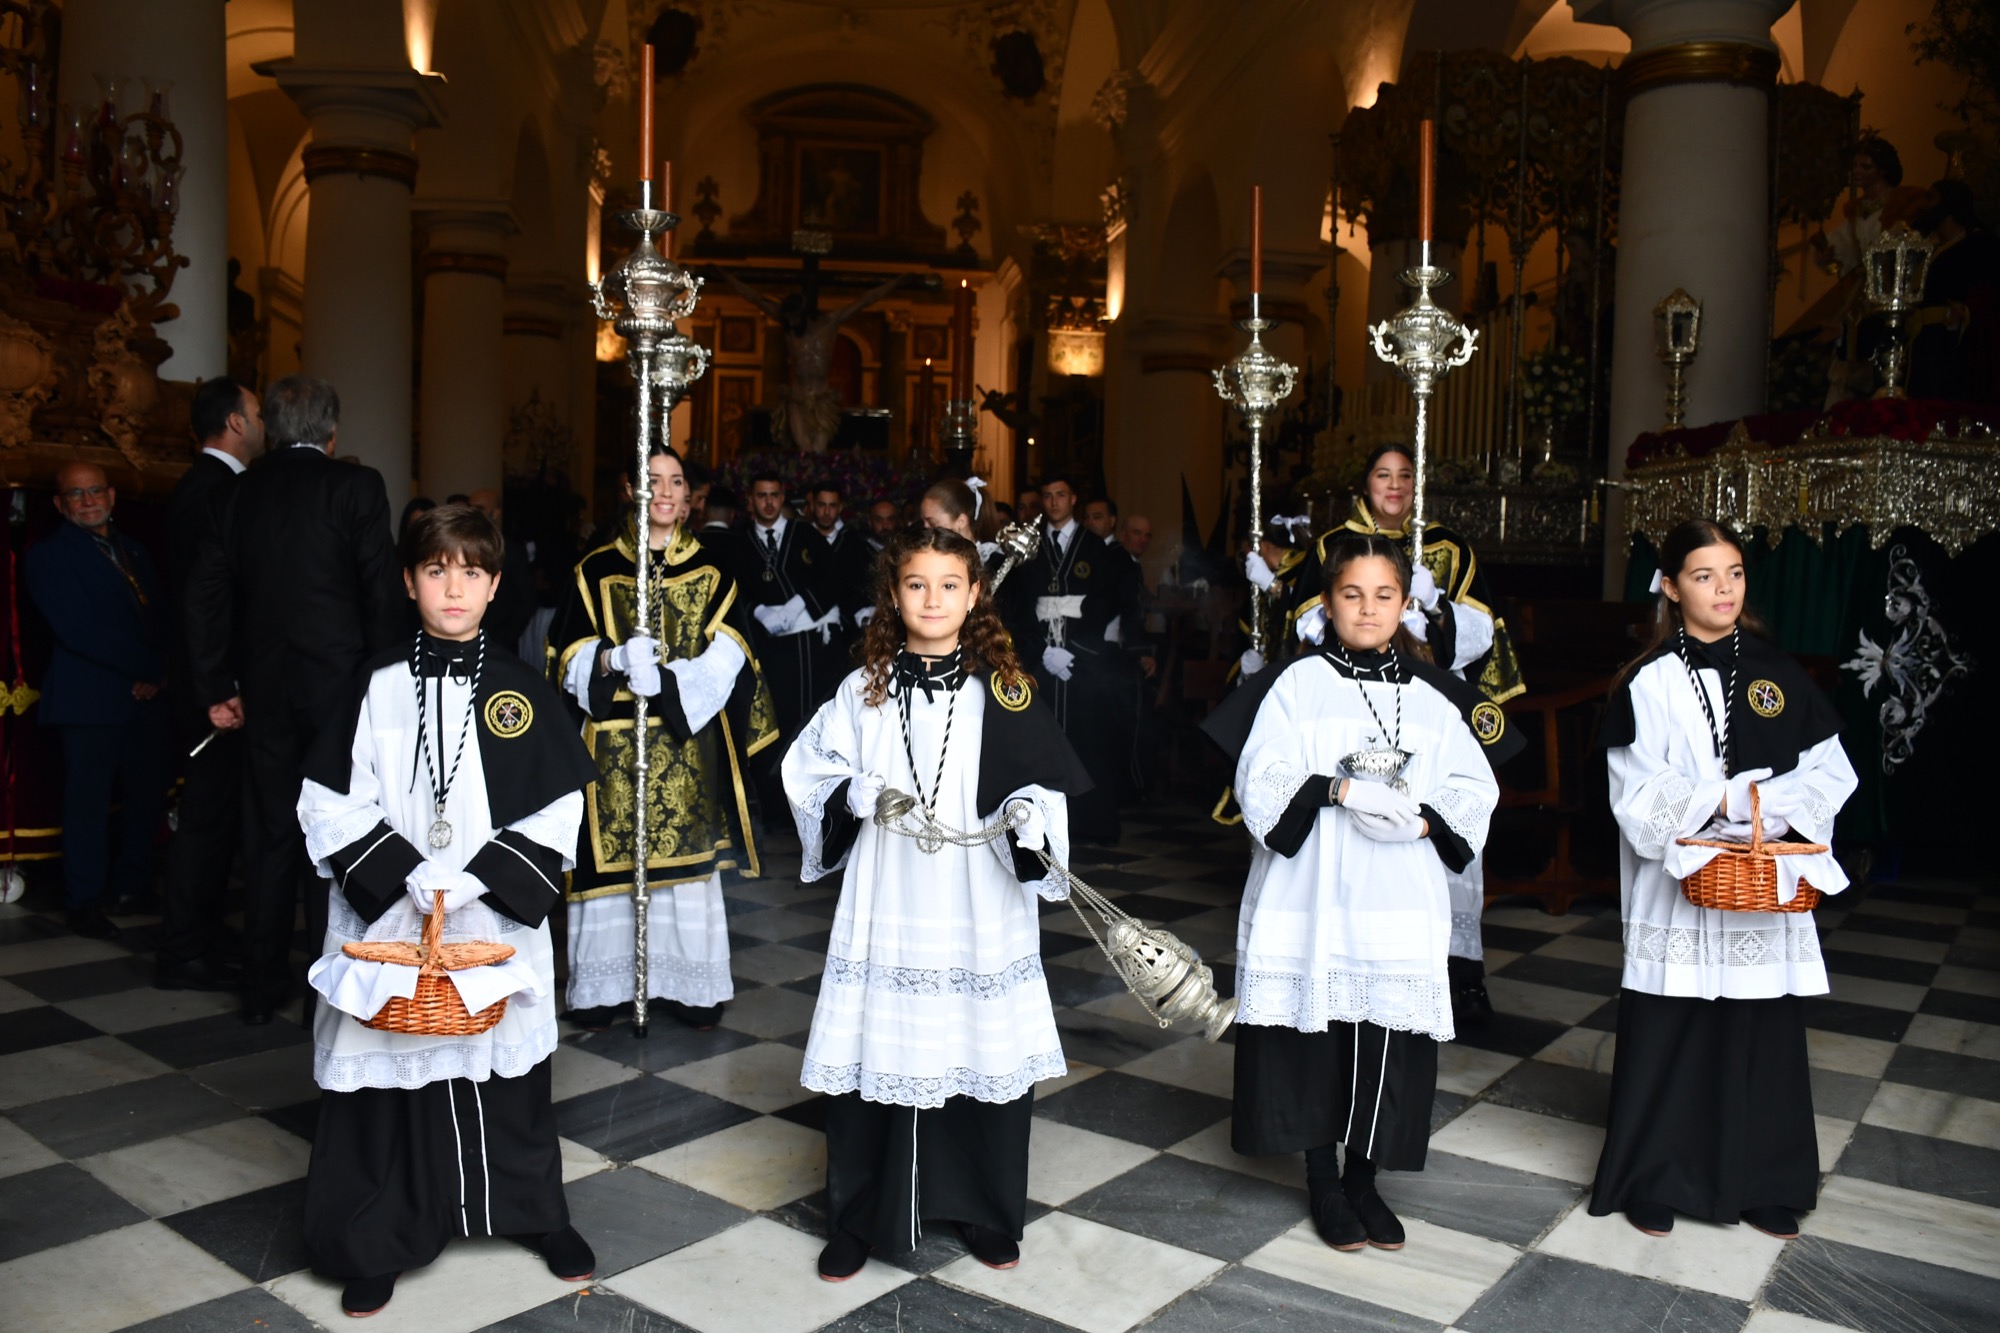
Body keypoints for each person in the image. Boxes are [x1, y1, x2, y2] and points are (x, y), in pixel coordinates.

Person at [296, 505, 601, 1317]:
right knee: (386, 1060)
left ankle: (531, 1209)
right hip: (395, 914)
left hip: (485, 910)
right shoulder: (375, 684)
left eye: (471, 571)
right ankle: (376, 1230)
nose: (454, 587)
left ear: (495, 585)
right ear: (409, 581)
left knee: (507, 1064)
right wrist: (405, 877)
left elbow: (558, 809)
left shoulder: (521, 689)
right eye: (436, 570)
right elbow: (328, 800)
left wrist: (472, 883)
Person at [782, 526, 1089, 1281]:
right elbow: (808, 770)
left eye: (950, 585)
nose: (932, 599)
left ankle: (983, 1207)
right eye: (916, 584)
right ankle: (857, 1215)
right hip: (889, 890)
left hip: (977, 892)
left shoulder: (1005, 689)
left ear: (975, 594)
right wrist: (851, 793)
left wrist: (1028, 816)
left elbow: (1042, 784)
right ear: (893, 594)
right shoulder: (864, 689)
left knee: (977, 1042)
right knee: (877, 1045)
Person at [1218, 533, 1500, 1252]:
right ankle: (1322, 1178)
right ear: (1327, 602)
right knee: (1314, 1030)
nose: (1368, 609)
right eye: (1352, 594)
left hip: (1397, 888)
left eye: (1384, 595)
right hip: (1312, 885)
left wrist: (1426, 819)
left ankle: (1364, 1180)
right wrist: (1336, 789)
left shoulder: (1432, 696)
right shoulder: (1297, 685)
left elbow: (1474, 785)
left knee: (1385, 1035)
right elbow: (1261, 774)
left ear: (1404, 604)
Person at [1591, 519, 1856, 1241]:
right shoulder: (1649, 682)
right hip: (1680, 882)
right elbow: (1636, 790)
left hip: (1759, 878)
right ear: (1672, 588)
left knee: (1759, 1025)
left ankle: (1765, 1180)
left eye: (1734, 573)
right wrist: (1721, 801)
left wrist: (1776, 808)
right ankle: (1653, 1175)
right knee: (1674, 1025)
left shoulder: (1778, 672)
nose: (1724, 589)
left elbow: (1831, 771)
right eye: (1704, 576)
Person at [186, 374, 405, 1024]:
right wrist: (391, 685)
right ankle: (328, 987)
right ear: (331, 432)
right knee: (338, 832)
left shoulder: (236, 493)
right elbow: (381, 594)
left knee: (269, 832)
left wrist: (216, 686)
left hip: (264, 691)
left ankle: (261, 986)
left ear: (272, 430)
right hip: (343, 692)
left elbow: (204, 598)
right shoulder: (355, 487)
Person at [548, 444, 778, 1031]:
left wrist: (672, 682)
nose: (667, 492)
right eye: (654, 480)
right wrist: (611, 660)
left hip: (685, 741)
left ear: (690, 495)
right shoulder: (595, 569)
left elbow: (733, 653)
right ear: (631, 489)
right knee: (609, 867)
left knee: (685, 867)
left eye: (677, 481)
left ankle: (687, 986)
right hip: (610, 743)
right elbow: (564, 652)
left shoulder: (713, 571)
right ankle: (603, 990)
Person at [1290, 445, 1525, 1021]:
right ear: (1364, 484)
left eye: (1405, 475)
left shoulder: (1447, 547)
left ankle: (1460, 975)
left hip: (1426, 701)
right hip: (1351, 697)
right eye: (1382, 475)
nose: (1394, 486)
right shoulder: (1333, 546)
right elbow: (1307, 622)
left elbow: (1481, 634)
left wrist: (1436, 608)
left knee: (1439, 829)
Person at [25, 461, 170, 940]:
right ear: (59, 504)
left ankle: (131, 886)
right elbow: (81, 631)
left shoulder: (134, 550)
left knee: (145, 795)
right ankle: (83, 901)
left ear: (111, 496)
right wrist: (150, 669)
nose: (87, 501)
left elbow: (160, 617)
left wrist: (159, 671)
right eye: (75, 494)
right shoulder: (49, 556)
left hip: (145, 698)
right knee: (87, 803)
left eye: (94, 491)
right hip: (89, 700)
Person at [158, 377, 263, 986]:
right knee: (204, 820)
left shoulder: (211, 486)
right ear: (236, 422)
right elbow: (203, 603)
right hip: (214, 692)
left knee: (218, 819)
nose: (262, 424)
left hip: (213, 683)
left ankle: (201, 930)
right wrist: (219, 687)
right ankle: (181, 951)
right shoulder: (213, 491)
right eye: (256, 412)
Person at [997, 473, 1127, 844]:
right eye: (1047, 496)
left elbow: (1106, 602)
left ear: (1073, 500)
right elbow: (1018, 605)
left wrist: (1073, 649)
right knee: (1039, 738)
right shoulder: (1029, 546)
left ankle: (1087, 823)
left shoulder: (1095, 546)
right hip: (1041, 658)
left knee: (1088, 739)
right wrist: (1042, 650)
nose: (1053, 502)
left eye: (1061, 495)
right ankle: (1037, 826)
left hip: (1082, 662)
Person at [731, 472, 844, 762]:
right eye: (762, 496)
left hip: (807, 644)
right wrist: (757, 610)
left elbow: (834, 577)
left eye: (774, 496)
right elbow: (732, 586)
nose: (769, 503)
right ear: (751, 500)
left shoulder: (805, 533)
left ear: (783, 498)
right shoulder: (739, 540)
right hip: (765, 642)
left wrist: (799, 604)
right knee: (771, 712)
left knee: (807, 711)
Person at [1909, 179, 2000, 404]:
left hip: (1954, 346)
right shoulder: (1927, 250)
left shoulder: (1980, 244)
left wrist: (1968, 311)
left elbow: (1991, 291)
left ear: (1949, 204)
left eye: (1931, 198)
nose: (1923, 205)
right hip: (1920, 344)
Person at [807, 483, 876, 679]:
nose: (826, 512)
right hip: (809, 627)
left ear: (840, 507)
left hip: (848, 631)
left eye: (832, 506)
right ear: (812, 506)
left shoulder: (854, 543)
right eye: (821, 505)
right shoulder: (800, 539)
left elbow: (863, 584)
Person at [468, 487, 536, 656]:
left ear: (495, 513)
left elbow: (527, 601)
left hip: (499, 648)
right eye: (470, 508)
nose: (472, 514)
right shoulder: (458, 549)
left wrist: (503, 639)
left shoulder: (511, 552)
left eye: (479, 509)